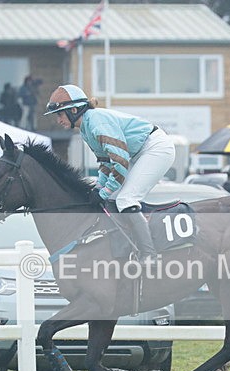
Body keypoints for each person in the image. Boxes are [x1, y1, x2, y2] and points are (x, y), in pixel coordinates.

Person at [43, 84, 175, 262]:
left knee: (126, 199)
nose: (58, 120)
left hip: (156, 148)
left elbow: (120, 162)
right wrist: (99, 187)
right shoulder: (85, 128)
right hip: (137, 152)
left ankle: (149, 255)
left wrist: (104, 192)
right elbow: (106, 162)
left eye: (60, 114)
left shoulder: (97, 123)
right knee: (112, 199)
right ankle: (128, 248)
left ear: (74, 110)